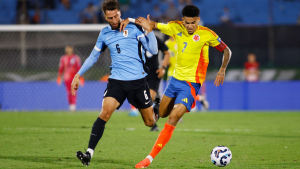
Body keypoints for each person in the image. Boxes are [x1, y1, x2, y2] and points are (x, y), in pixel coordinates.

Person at [121, 4, 232, 168]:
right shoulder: (175, 27)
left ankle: (148, 159)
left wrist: (222, 69)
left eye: (193, 22)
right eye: (187, 22)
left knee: (173, 118)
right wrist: (130, 20)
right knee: (159, 116)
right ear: (183, 20)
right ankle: (156, 106)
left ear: (198, 20)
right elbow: (153, 25)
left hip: (190, 84)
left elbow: (227, 50)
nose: (189, 26)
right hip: (174, 81)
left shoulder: (207, 34)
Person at [71, 0, 159, 166]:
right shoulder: (104, 34)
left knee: (150, 122)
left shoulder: (133, 28)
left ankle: (156, 109)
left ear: (120, 12)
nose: (114, 20)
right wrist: (78, 74)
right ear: (105, 16)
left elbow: (153, 51)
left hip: (138, 82)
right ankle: (88, 154)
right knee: (105, 112)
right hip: (117, 81)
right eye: (110, 17)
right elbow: (93, 57)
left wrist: (150, 31)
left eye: (116, 16)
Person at [57, 46, 84, 111]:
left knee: (74, 91)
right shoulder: (63, 58)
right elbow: (61, 68)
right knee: (69, 91)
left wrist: (81, 77)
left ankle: (73, 106)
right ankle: (70, 106)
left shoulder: (76, 58)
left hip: (74, 78)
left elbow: (79, 68)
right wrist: (59, 77)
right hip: (67, 78)